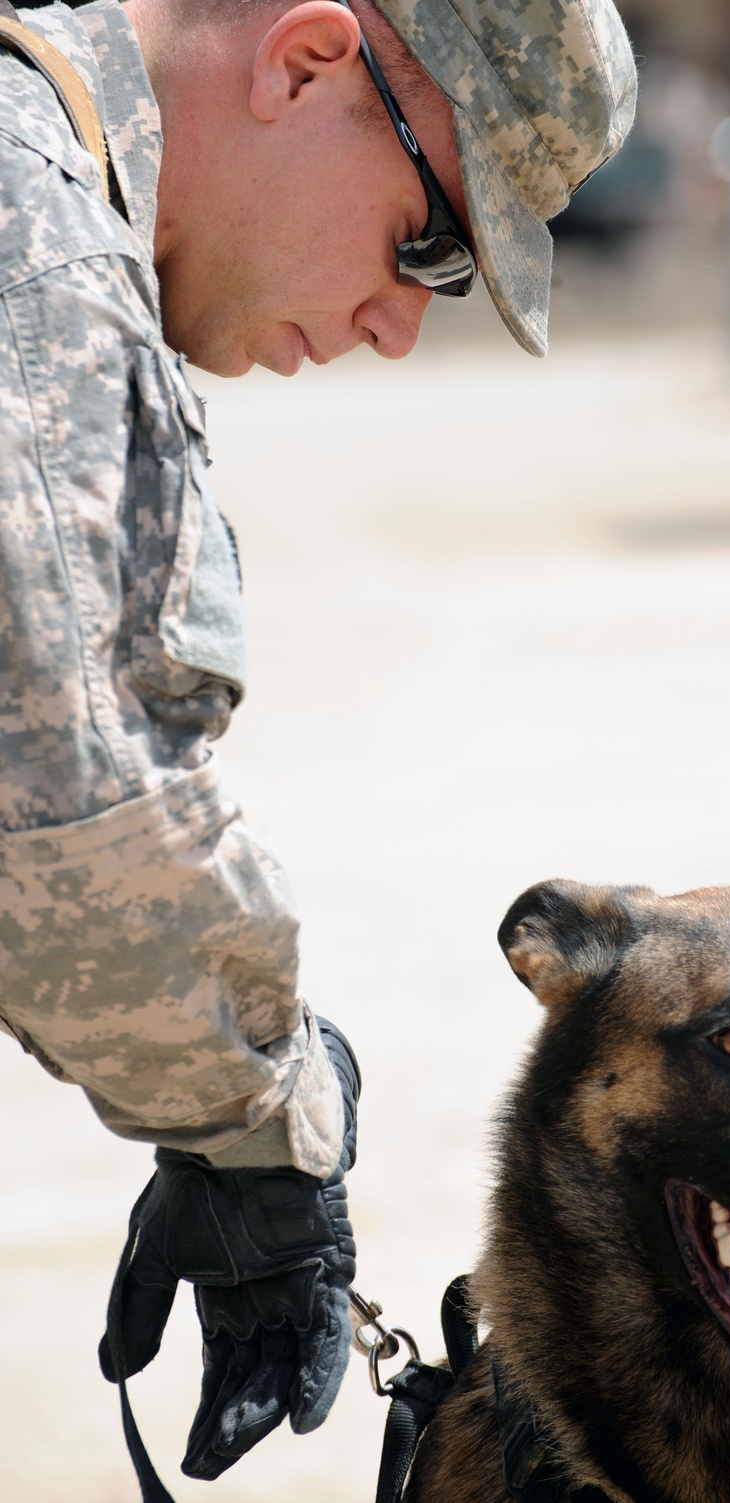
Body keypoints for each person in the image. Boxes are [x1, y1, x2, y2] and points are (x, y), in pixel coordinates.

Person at [0, 0, 636, 1488]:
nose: (398, 326)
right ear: (302, 61)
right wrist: (262, 1128)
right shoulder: (33, 252)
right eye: (426, 241)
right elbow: (66, 805)